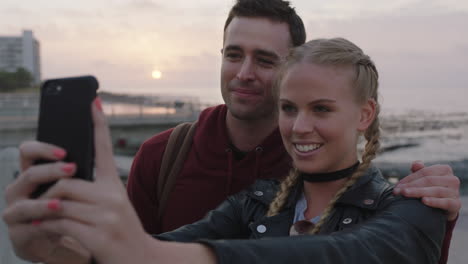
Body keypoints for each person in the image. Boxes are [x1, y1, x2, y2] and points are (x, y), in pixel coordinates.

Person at [3, 37, 448, 264]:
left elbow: (340, 255)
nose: (299, 126)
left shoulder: (410, 211)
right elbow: (149, 251)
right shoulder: (254, 203)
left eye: (322, 109)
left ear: (365, 114)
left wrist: (141, 250)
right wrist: (51, 246)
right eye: (288, 108)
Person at [127, 0, 460, 237]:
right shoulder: (161, 156)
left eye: (265, 60)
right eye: (233, 55)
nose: (244, 73)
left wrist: (435, 219)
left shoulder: (315, 163)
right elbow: (129, 253)